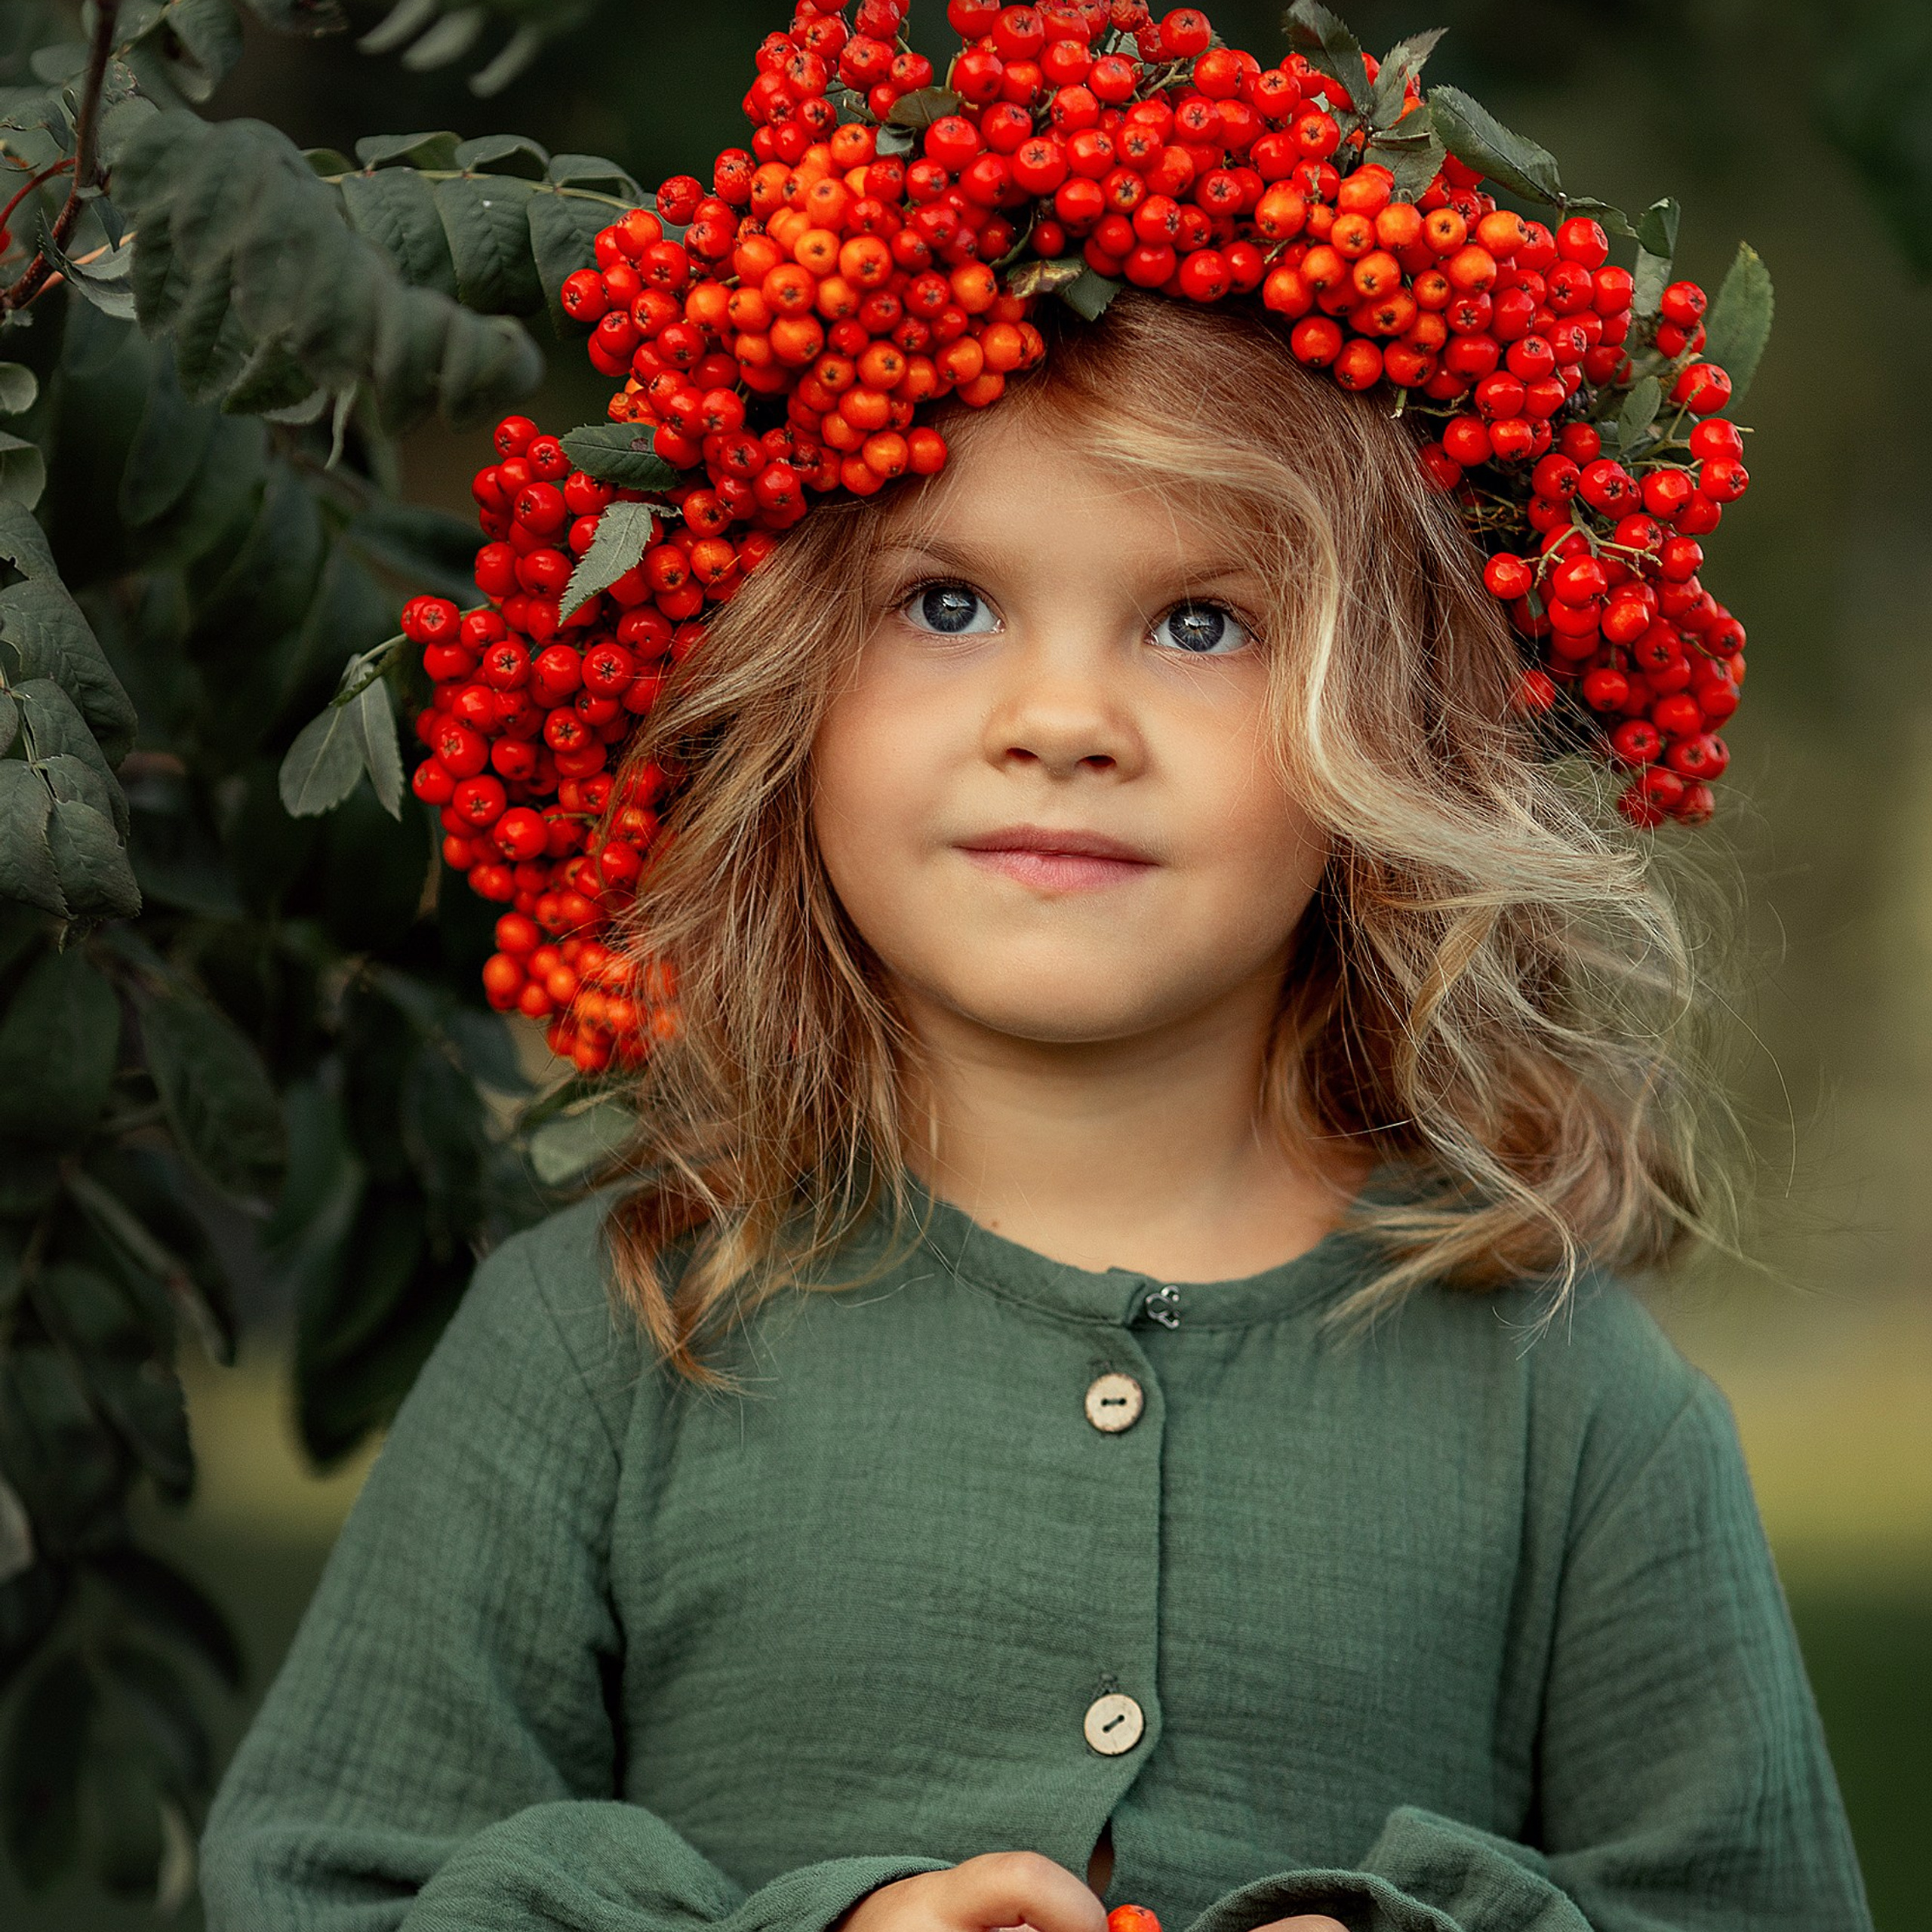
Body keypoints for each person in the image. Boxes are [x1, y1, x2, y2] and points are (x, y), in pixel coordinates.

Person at [198, 287, 1870, 1932]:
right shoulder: (600, 1341)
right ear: (780, 683)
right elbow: (326, 1889)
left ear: (1402, 729)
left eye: (1199, 622)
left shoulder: (1569, 1397)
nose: (1061, 721)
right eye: (945, 604)